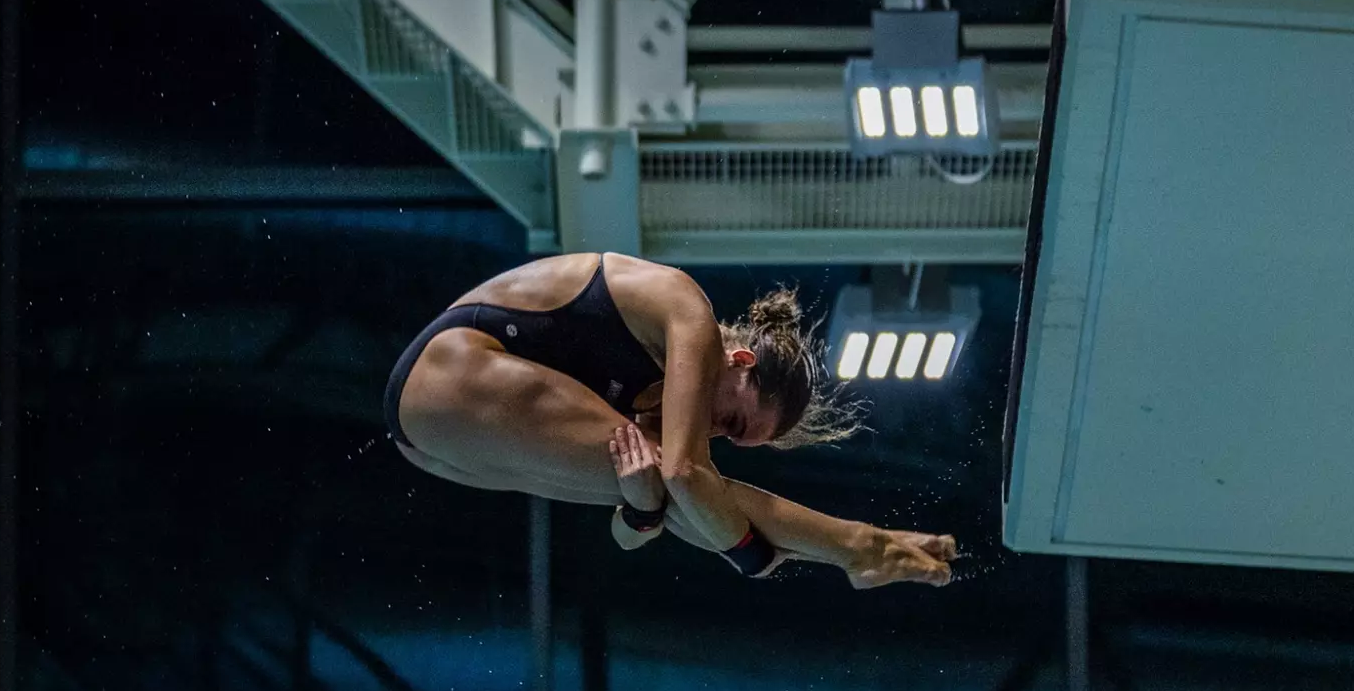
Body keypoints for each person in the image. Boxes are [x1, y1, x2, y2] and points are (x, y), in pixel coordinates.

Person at [382, 251, 955, 587]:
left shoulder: (661, 420)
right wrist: (755, 560)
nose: (710, 433)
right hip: (452, 366)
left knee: (661, 487)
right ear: (741, 362)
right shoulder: (685, 308)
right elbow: (686, 477)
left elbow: (630, 537)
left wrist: (636, 508)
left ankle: (854, 550)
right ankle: (859, 546)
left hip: (435, 449)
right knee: (681, 480)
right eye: (731, 419)